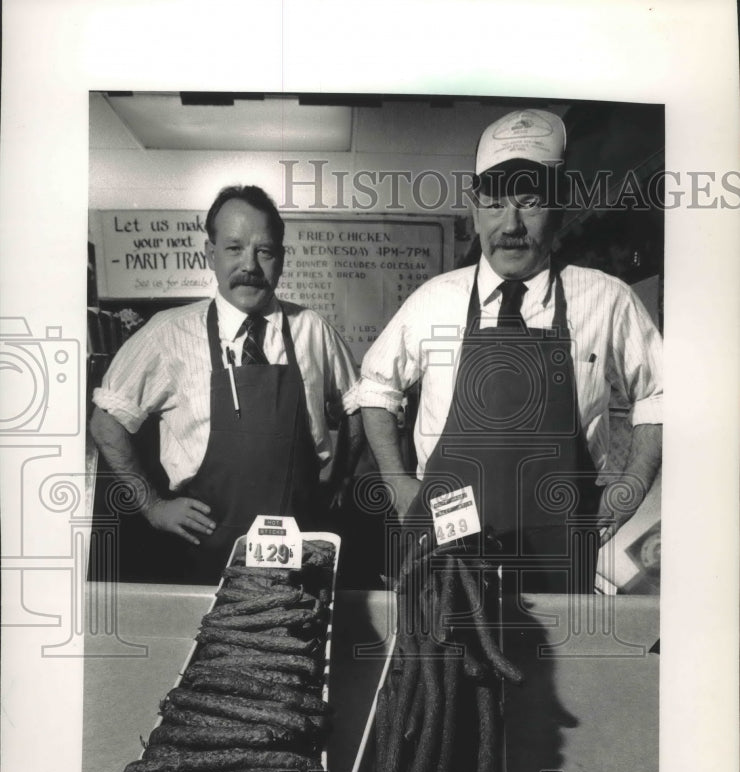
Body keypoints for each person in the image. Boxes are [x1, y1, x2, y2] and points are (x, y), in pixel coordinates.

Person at [358, 109, 662, 593]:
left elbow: (660, 395)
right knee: (438, 664)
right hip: (446, 542)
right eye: (495, 202)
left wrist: (634, 484)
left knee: (558, 667)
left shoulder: (606, 298)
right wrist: (396, 482)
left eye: (530, 201)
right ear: (475, 208)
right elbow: (375, 388)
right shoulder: (435, 299)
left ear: (559, 206)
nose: (511, 224)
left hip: (561, 546)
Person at [90, 184, 363, 582]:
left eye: (264, 251)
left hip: (300, 558)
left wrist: (340, 478)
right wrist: (153, 506)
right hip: (204, 561)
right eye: (234, 248)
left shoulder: (312, 330)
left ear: (281, 259)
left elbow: (359, 406)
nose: (249, 265)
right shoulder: (168, 334)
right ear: (210, 254)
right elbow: (105, 421)